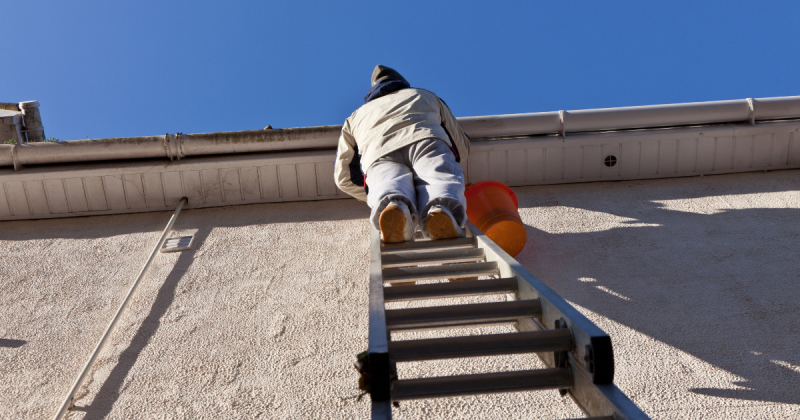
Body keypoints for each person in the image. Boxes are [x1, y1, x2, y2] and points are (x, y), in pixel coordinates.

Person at [334, 65, 470, 243]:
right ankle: (439, 211)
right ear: (403, 84)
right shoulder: (425, 95)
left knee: (388, 185)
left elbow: (343, 177)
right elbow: (461, 144)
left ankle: (395, 207)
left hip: (379, 154)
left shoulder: (354, 118)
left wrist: (369, 190)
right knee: (438, 178)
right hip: (426, 141)